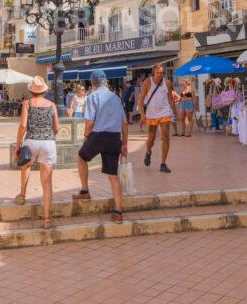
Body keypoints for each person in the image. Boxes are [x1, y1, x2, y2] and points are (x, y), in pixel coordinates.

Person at [73, 70, 128, 223]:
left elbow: (90, 122)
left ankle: (85, 190)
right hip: (114, 138)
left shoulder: (92, 97)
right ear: (105, 81)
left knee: (81, 157)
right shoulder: (116, 98)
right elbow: (124, 123)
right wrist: (124, 144)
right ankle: (118, 212)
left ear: (92, 83)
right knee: (113, 176)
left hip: (98, 136)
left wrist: (85, 137)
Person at [13, 76, 59, 229]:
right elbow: (57, 128)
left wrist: (18, 144)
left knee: (26, 166)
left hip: (31, 140)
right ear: (44, 91)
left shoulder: (27, 103)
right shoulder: (52, 105)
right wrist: (48, 135)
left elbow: (22, 126)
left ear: (31, 90)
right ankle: (46, 219)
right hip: (48, 143)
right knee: (47, 184)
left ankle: (22, 195)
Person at [136, 64, 178, 173]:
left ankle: (163, 164)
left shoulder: (167, 83)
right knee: (151, 138)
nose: (160, 75)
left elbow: (170, 99)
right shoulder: (147, 82)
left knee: (165, 136)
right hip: (151, 113)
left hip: (164, 112)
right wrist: (142, 113)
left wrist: (175, 112)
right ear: (153, 72)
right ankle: (148, 151)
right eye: (158, 73)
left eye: (162, 73)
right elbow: (141, 99)